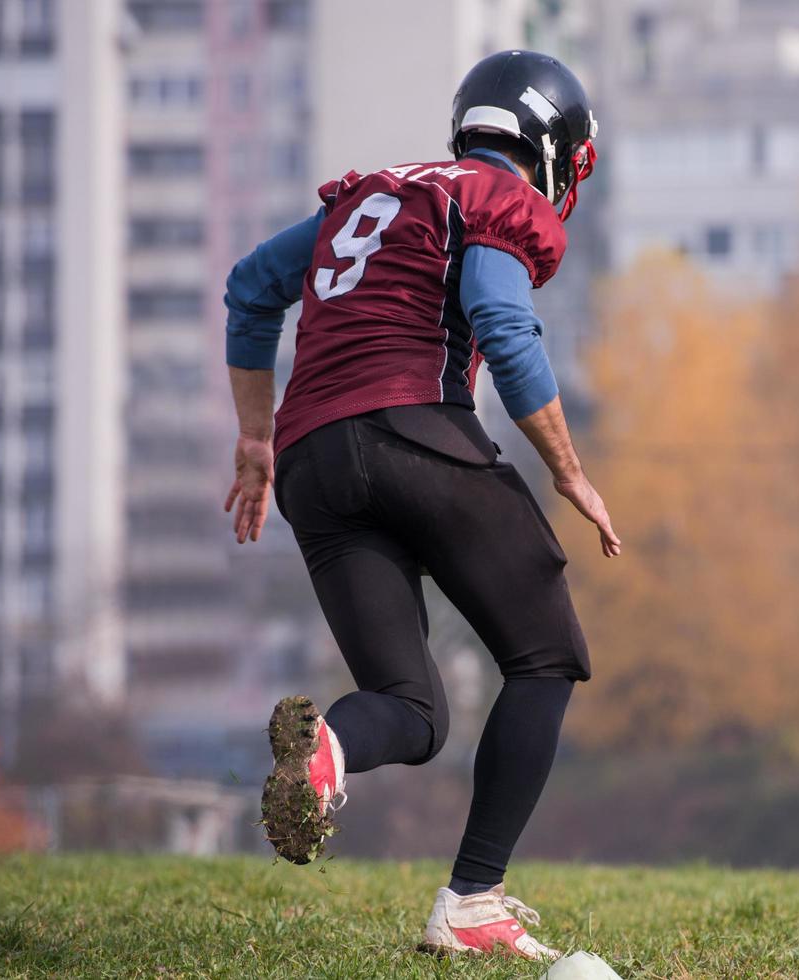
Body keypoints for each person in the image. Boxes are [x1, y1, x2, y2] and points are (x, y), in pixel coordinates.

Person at [220, 51, 617, 962]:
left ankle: (322, 750)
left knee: (412, 709)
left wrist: (255, 439)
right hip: (412, 429)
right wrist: (568, 470)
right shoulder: (496, 200)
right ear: (556, 152)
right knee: (546, 656)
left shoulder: (364, 197)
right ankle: (475, 902)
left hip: (314, 458)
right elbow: (502, 323)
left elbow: (250, 286)